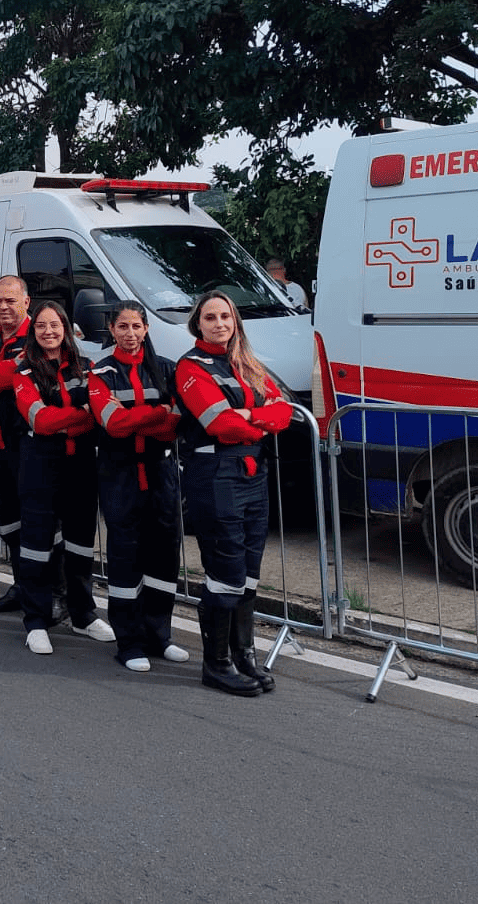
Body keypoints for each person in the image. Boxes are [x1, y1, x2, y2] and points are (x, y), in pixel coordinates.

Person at [174, 289, 294, 696]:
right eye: (210, 317)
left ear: (235, 321)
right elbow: (221, 425)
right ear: (198, 324)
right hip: (216, 476)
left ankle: (244, 656)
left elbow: (285, 412)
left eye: (225, 316)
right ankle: (217, 664)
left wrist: (250, 414)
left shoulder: (247, 363)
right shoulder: (191, 367)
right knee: (225, 573)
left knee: (248, 574)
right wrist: (260, 423)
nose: (220, 323)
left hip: (253, 475)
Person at [10, 301, 115, 655]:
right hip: (40, 466)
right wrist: (81, 415)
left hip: (80, 466)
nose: (48, 331)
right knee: (36, 547)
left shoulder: (88, 368)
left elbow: (99, 413)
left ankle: (83, 614)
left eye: (54, 325)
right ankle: (36, 621)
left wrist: (74, 418)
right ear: (33, 331)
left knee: (81, 544)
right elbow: (40, 421)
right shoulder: (24, 372)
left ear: (66, 328)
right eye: (41, 326)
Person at [0, 275, 65, 622]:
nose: (3, 307)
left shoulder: (39, 333)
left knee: (43, 524)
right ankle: (23, 587)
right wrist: (7, 372)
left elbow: (22, 373)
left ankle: (55, 594)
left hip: (31, 445)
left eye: (10, 300)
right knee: (9, 524)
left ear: (26, 302)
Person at [88, 302, 188, 672]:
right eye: (123, 327)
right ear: (111, 330)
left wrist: (140, 417)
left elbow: (176, 423)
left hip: (161, 472)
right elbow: (112, 424)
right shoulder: (100, 372)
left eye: (136, 326)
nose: (130, 333)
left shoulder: (167, 369)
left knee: (164, 555)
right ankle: (129, 642)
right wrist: (158, 413)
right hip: (120, 474)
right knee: (125, 558)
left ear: (146, 329)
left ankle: (159, 636)